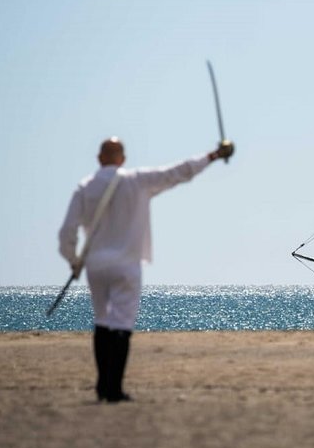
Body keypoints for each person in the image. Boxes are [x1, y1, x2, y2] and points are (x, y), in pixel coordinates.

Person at [59, 137, 234, 403]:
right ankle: (114, 388)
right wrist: (213, 155)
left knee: (102, 322)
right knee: (121, 325)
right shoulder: (137, 181)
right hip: (128, 264)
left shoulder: (85, 187)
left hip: (96, 265)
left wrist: (74, 260)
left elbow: (67, 232)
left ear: (99, 159)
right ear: (123, 159)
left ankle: (102, 386)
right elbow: (180, 172)